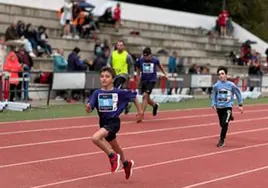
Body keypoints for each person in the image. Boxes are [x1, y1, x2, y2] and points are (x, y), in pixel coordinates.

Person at [85, 66, 143, 180]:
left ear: (112, 79)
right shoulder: (97, 93)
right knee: (117, 147)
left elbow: (134, 96)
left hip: (113, 122)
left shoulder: (118, 92)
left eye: (107, 76)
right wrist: (87, 108)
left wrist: (140, 111)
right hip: (103, 123)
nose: (104, 79)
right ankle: (126, 164)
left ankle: (112, 156)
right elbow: (89, 108)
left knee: (95, 138)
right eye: (102, 76)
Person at [211, 66, 243, 148]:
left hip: (228, 107)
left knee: (224, 124)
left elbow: (238, 94)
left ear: (226, 75)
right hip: (219, 108)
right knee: (222, 124)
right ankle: (230, 116)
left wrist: (240, 104)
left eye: (222, 73)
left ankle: (221, 140)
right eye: (219, 74)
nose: (221, 75)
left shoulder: (231, 85)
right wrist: (213, 103)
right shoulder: (216, 86)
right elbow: (213, 95)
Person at [136, 47, 167, 116]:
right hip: (143, 80)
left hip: (152, 80)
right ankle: (155, 105)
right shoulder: (140, 60)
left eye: (146, 56)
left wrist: (164, 73)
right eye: (144, 56)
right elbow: (137, 69)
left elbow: (160, 66)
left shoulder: (155, 60)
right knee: (147, 98)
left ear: (150, 55)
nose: (145, 57)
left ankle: (141, 113)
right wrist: (138, 80)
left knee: (145, 95)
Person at [107, 40, 134, 114]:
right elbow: (108, 63)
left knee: (115, 90)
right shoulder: (113, 54)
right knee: (118, 91)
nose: (119, 47)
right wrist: (109, 67)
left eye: (121, 45)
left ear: (124, 46)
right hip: (114, 75)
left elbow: (131, 66)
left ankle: (113, 110)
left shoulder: (127, 55)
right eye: (118, 45)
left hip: (123, 75)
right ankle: (126, 104)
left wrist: (131, 76)